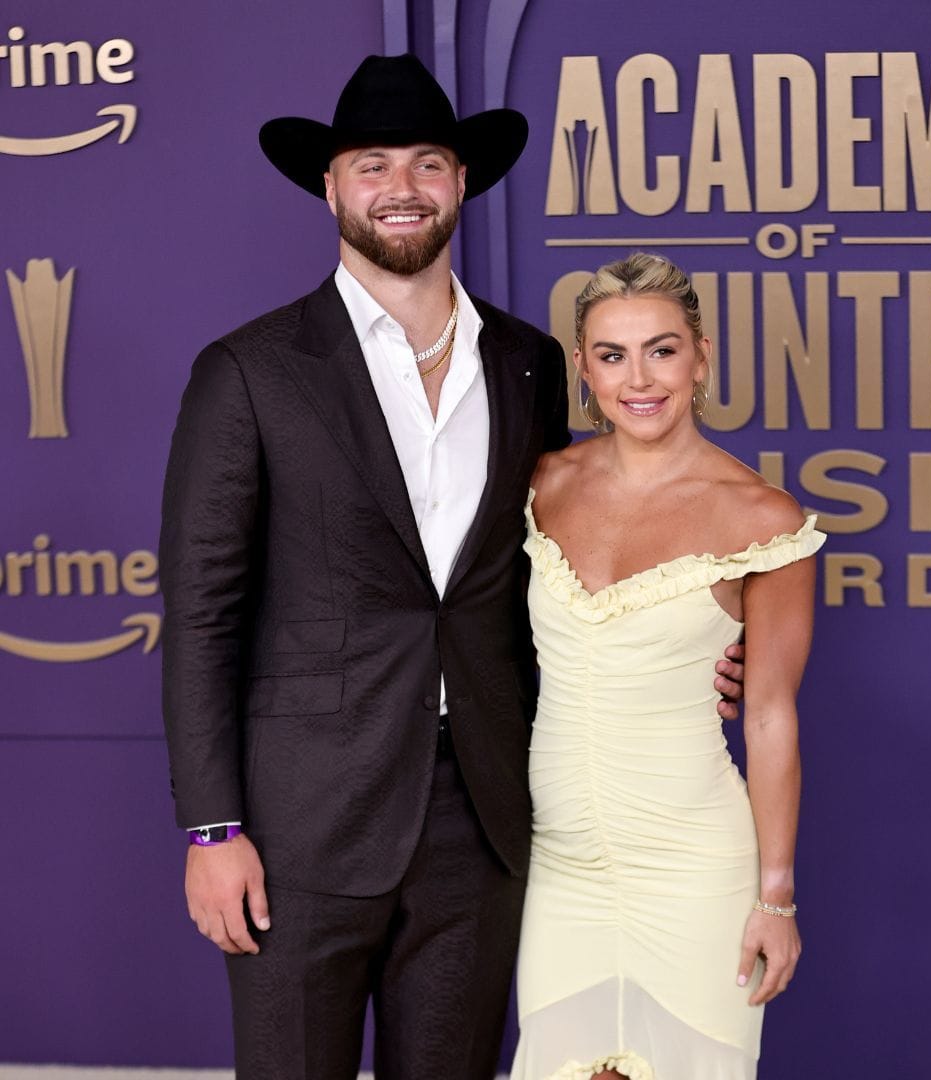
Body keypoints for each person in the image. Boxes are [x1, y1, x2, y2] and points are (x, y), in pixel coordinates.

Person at [158, 56, 743, 1077]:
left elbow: (554, 571)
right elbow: (203, 617)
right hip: (302, 829)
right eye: (373, 164)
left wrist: (683, 646)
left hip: (482, 813)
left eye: (429, 163)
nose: (402, 188)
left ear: (462, 183)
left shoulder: (526, 364)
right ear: (331, 186)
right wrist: (213, 829)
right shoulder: (249, 372)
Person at [509, 252, 820, 1080]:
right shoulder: (541, 483)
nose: (638, 378)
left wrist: (775, 897)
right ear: (583, 368)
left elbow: (770, 714)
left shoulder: (762, 516)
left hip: (692, 865)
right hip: (560, 866)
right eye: (612, 355)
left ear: (701, 356)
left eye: (662, 349)